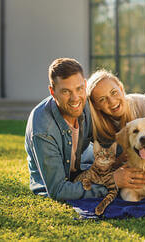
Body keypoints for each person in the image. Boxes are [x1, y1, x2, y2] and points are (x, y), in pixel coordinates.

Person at [25, 58, 107, 201]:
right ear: (52, 91)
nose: (75, 98)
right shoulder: (43, 128)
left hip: (83, 170)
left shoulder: (87, 104)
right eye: (66, 91)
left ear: (85, 85)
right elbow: (58, 190)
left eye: (79, 89)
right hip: (59, 184)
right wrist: (111, 185)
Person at [86, 69, 145, 189]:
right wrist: (121, 160)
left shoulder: (144, 104)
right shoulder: (97, 126)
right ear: (96, 106)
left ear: (121, 88)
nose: (112, 101)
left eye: (114, 92)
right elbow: (101, 167)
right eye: (102, 99)